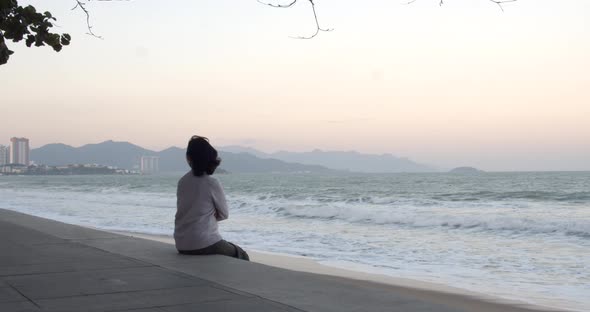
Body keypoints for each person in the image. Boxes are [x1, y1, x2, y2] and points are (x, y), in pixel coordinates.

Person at [174, 135, 249, 260]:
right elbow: (224, 214)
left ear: (188, 158)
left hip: (181, 244)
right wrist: (207, 217)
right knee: (242, 255)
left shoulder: (182, 181)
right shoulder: (211, 182)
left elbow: (185, 212)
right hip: (205, 243)